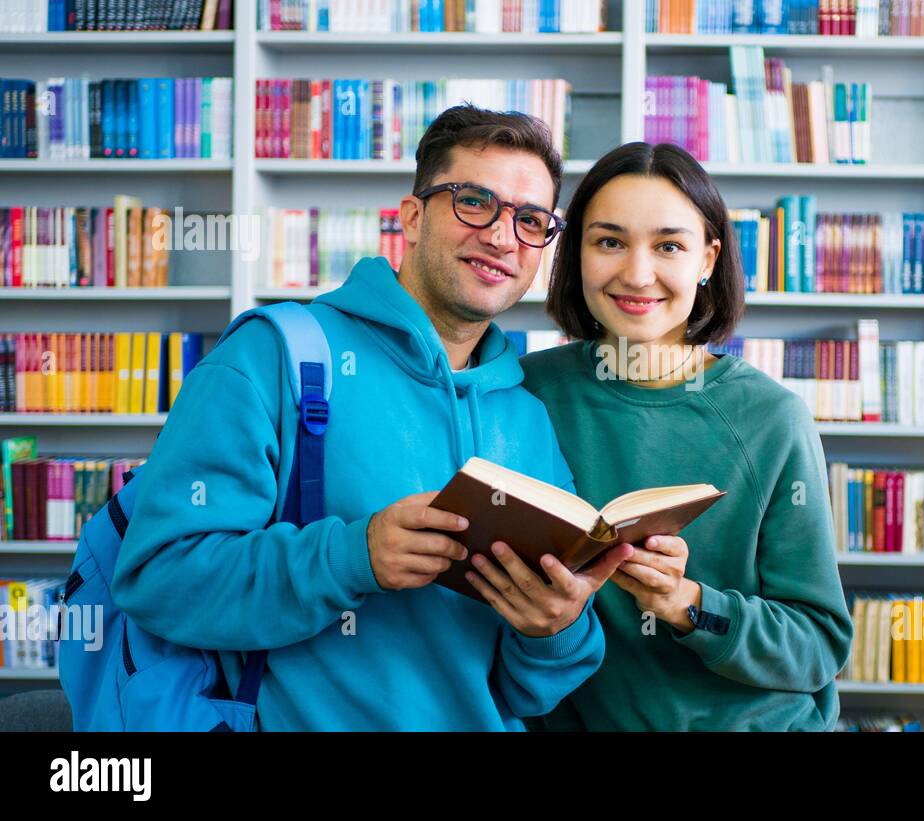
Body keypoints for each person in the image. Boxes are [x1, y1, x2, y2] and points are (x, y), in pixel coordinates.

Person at [113, 105, 629, 731]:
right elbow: (157, 579)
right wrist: (351, 557)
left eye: (529, 221)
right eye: (474, 202)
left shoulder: (527, 416)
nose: (501, 237)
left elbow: (528, 692)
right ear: (412, 217)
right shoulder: (274, 354)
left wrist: (557, 628)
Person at [521, 142, 853, 731]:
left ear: (707, 260)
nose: (637, 273)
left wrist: (688, 606)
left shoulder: (773, 418)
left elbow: (818, 646)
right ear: (575, 255)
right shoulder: (526, 391)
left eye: (669, 245)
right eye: (609, 241)